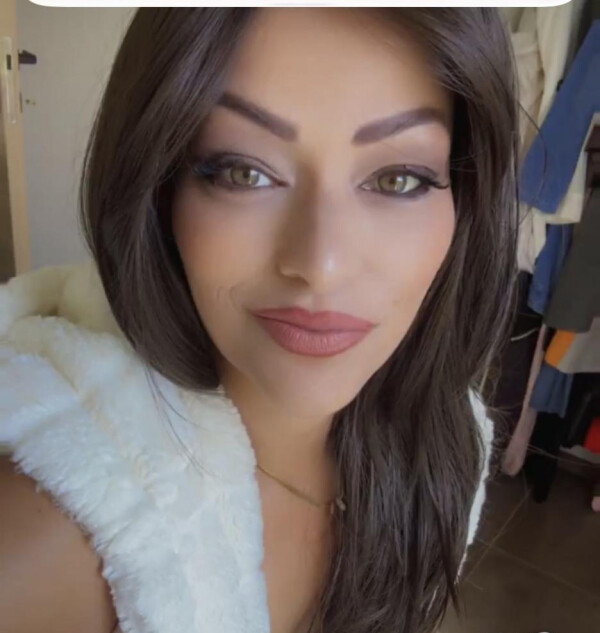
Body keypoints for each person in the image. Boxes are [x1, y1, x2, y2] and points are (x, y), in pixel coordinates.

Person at [0, 7, 520, 633]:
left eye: (398, 179)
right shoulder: (48, 545)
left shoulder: (449, 442)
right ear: (157, 190)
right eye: (244, 172)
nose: (321, 267)